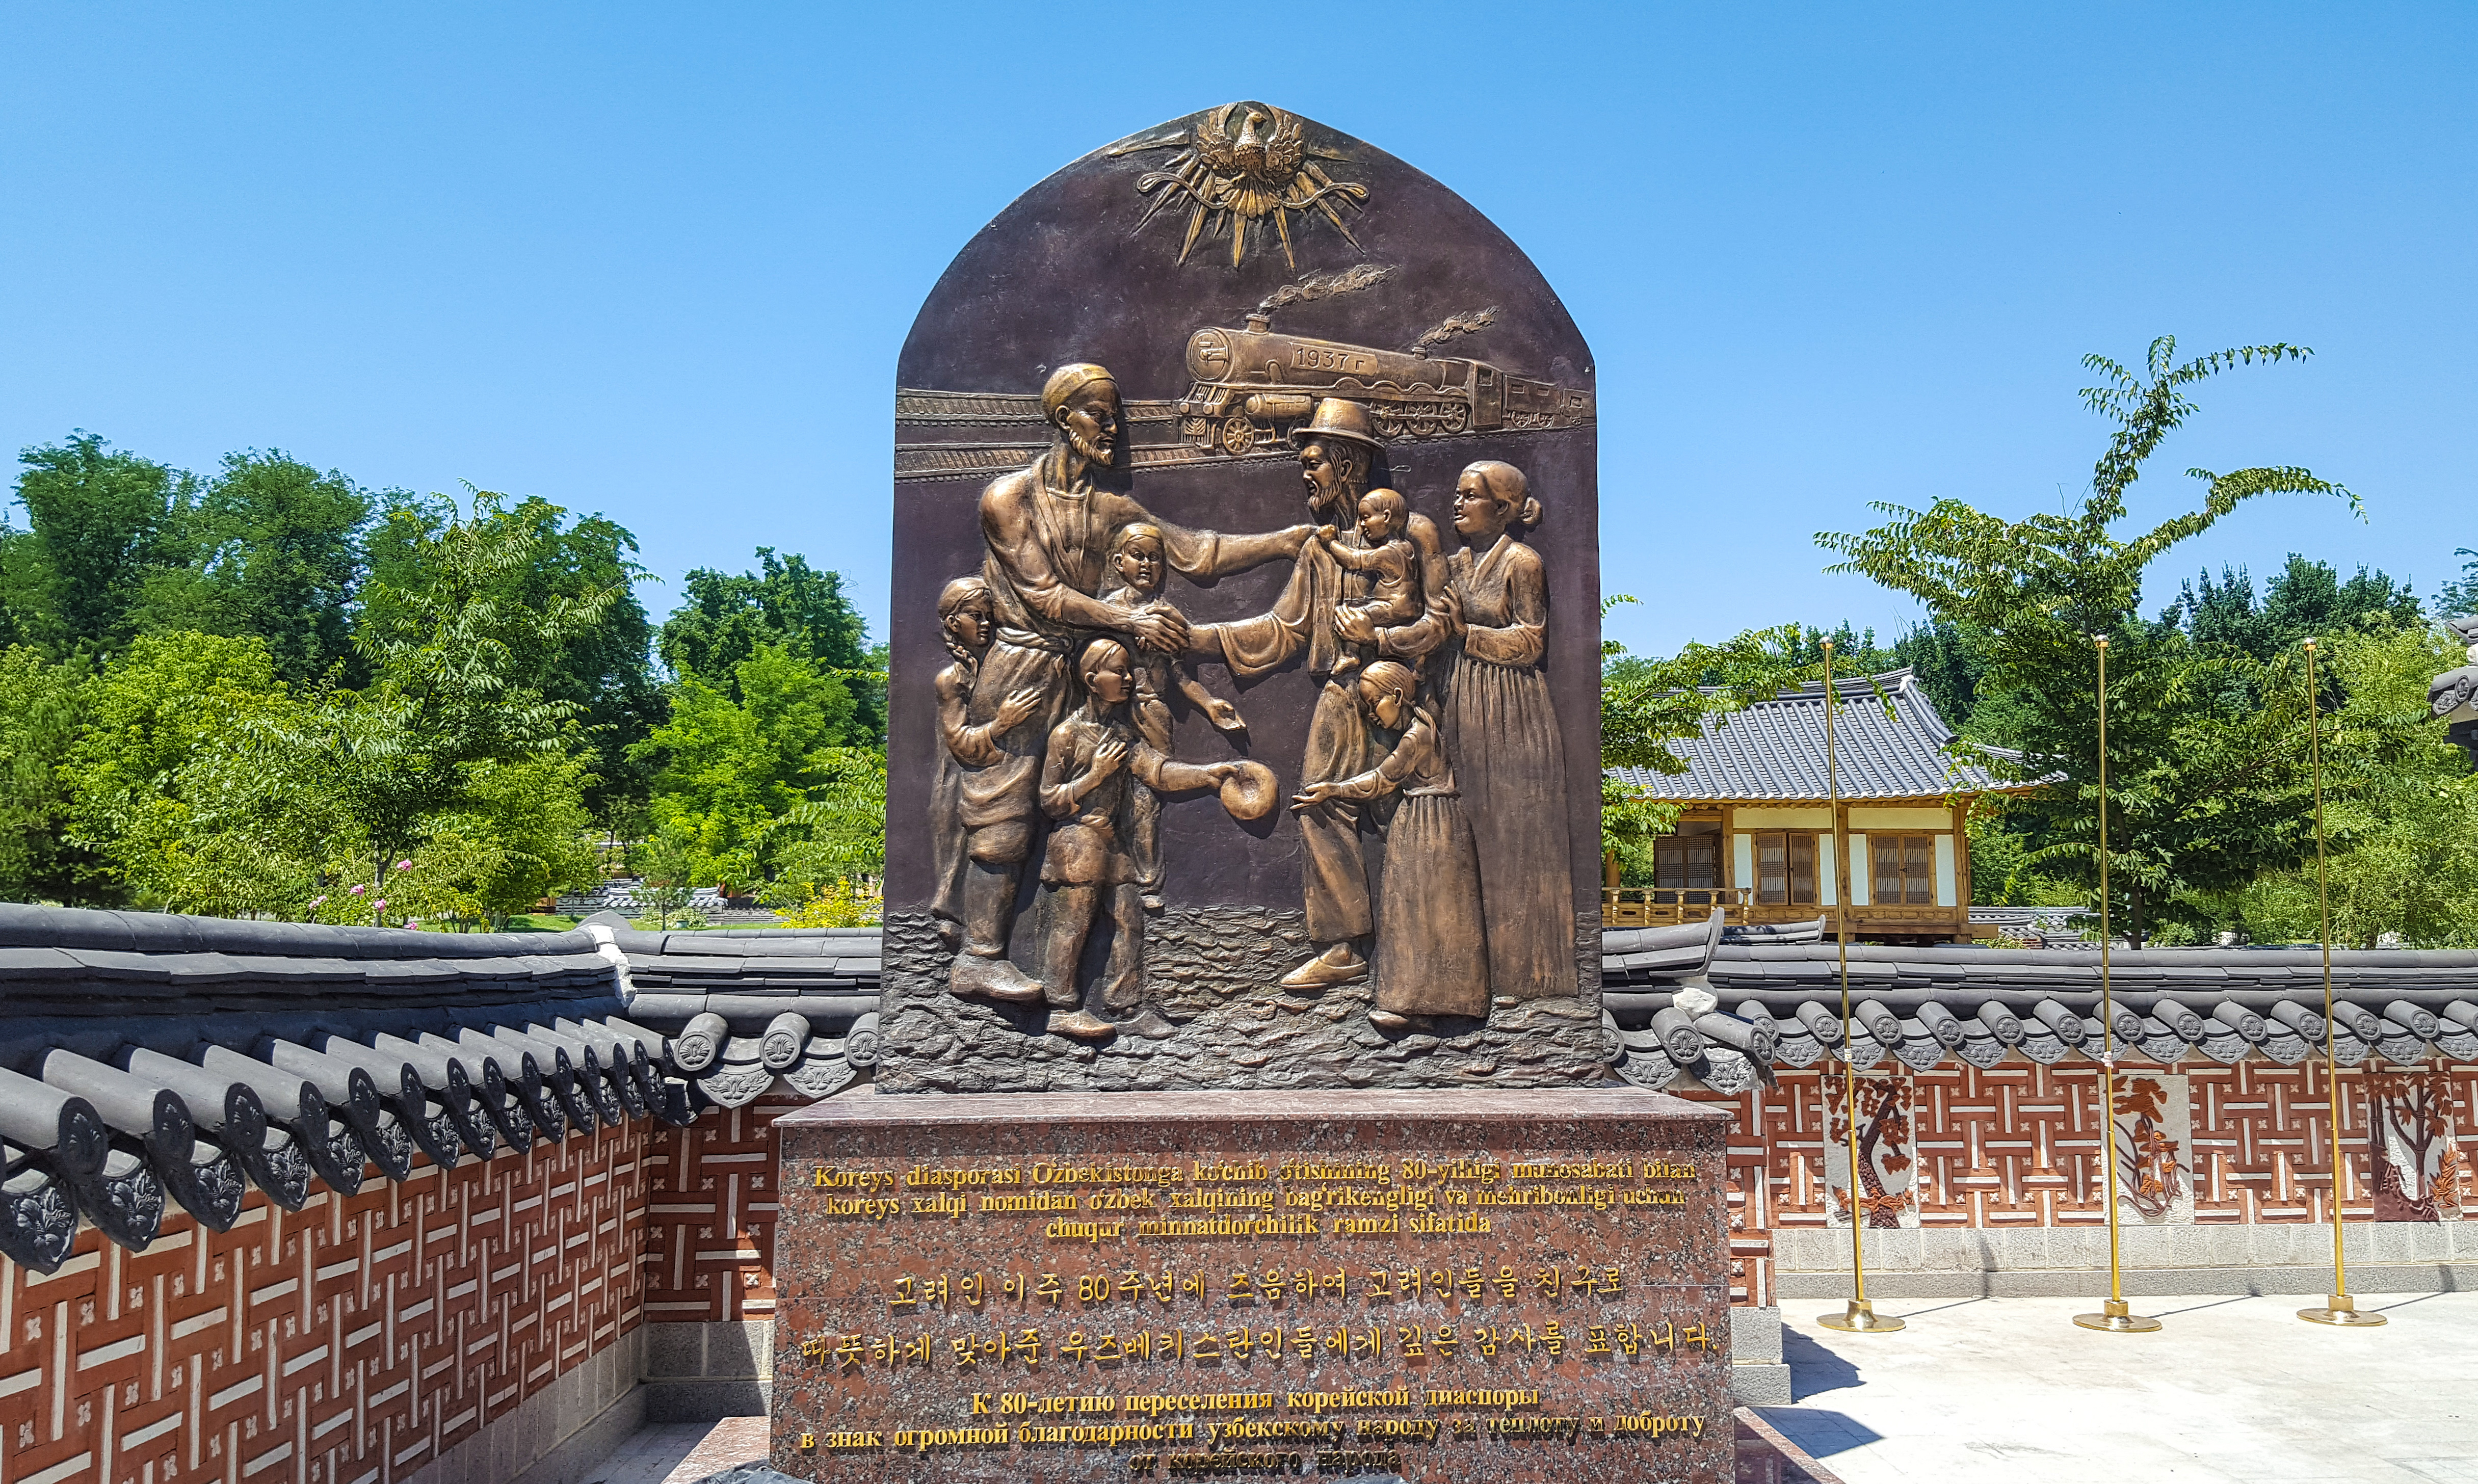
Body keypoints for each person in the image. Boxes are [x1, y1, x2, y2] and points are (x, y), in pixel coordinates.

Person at [948, 363, 1308, 1005]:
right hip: (1024, 667)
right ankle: (979, 958)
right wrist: (1128, 619)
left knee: (1098, 816)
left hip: (1091, 670)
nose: (1112, 428)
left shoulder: (1111, 507)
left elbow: (1197, 552)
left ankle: (1082, 983)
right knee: (1005, 817)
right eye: (1099, 414)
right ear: (1063, 418)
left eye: (1115, 415)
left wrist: (1283, 542)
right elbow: (1043, 594)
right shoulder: (1008, 498)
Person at [1189, 400, 1446, 993]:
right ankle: (1345, 944)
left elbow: (1442, 620)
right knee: (1320, 802)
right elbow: (1283, 629)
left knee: (1396, 812)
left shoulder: (1412, 534)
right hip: (1340, 688)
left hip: (1393, 692)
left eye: (1314, 463)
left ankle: (1411, 947)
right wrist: (1198, 637)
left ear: (1346, 464)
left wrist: (1381, 638)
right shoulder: (1318, 547)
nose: (1305, 474)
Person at [1035, 638, 1257, 1041]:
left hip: (1111, 846)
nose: (1128, 679)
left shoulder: (1122, 735)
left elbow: (1159, 772)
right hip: (1077, 844)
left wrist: (1211, 774)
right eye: (1118, 671)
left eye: (1128, 671)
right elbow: (1050, 800)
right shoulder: (1066, 735)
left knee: (1129, 920)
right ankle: (1061, 1008)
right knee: (1073, 924)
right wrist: (1095, 777)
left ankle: (1126, 1006)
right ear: (1092, 680)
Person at [1425, 459, 1577, 1000]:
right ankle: (1463, 975)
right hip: (1459, 698)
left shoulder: (1522, 562)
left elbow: (1532, 640)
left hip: (1511, 708)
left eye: (1470, 495)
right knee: (1464, 834)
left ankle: (1526, 974)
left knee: (1513, 838)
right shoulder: (1451, 565)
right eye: (1457, 493)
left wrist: (1466, 634)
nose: (1457, 503)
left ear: (1504, 507)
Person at [1290, 660, 1487, 1029]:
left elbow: (1383, 780)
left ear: (1397, 696)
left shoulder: (1416, 737)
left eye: (1374, 703)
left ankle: (1426, 1005)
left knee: (1425, 912)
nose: (1370, 714)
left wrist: (1332, 789)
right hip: (1424, 820)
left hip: (1431, 824)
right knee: (1415, 912)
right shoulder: (1424, 724)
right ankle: (1415, 1000)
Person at [1098, 523, 1247, 910]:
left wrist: (1210, 705)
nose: (1147, 565)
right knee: (1106, 790)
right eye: (1138, 556)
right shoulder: (1106, 611)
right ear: (1119, 562)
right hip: (1113, 714)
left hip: (1154, 714)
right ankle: (1107, 874)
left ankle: (1147, 882)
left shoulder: (1167, 615)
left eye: (1155, 558)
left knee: (1147, 798)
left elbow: (1180, 676)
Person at [928, 578, 1043, 948]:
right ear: (953, 623)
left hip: (996, 776)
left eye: (989, 616)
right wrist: (1001, 724)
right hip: (963, 783)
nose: (985, 623)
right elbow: (961, 743)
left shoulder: (998, 664)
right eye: (975, 616)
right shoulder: (951, 679)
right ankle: (969, 940)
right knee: (966, 859)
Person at [1314, 488, 1422, 674]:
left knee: (1350, 615)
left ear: (1386, 517)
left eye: (1366, 518)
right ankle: (1417, 659)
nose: (1362, 525)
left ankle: (1351, 655)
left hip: (1394, 607)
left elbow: (1353, 560)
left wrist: (1330, 542)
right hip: (1412, 607)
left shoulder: (1387, 553)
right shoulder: (1407, 548)